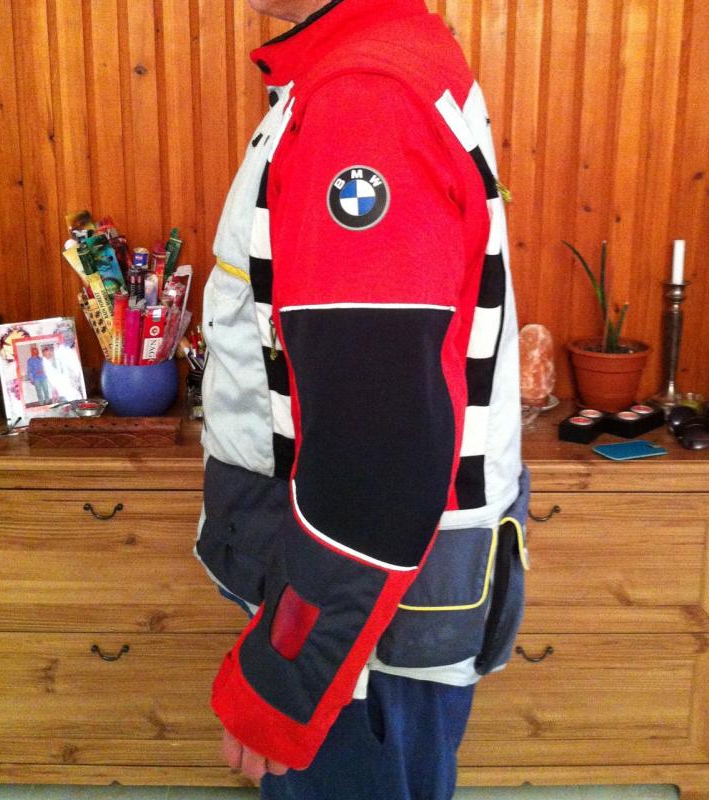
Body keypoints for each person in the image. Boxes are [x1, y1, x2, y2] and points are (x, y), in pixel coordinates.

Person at [196, 1, 529, 797]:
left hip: (362, 634)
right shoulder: (367, 67)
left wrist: (292, 674)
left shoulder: (363, 97)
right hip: (376, 607)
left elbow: (378, 439)